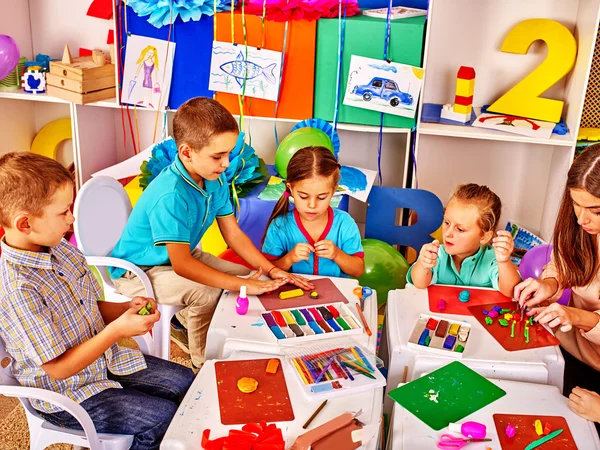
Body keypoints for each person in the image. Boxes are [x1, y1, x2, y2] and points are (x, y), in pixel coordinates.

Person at [0, 152, 194, 449]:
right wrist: (117, 331)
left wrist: (123, 310)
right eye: (63, 212)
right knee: (161, 417)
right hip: (65, 392)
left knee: (185, 382)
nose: (72, 218)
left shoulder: (60, 249)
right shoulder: (18, 288)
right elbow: (59, 369)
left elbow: (86, 307)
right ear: (25, 223)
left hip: (103, 363)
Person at [110, 97, 311, 369]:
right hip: (139, 271)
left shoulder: (214, 178)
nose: (226, 163)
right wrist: (241, 286)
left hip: (179, 258)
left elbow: (234, 234)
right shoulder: (170, 194)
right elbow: (182, 265)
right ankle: (201, 365)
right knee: (208, 293)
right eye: (218, 156)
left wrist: (271, 270)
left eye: (228, 153)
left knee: (246, 277)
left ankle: (194, 327)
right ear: (187, 152)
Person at [514, 145, 600, 430]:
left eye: (595, 210)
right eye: (576, 204)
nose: (581, 219)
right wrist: (549, 283)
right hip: (577, 354)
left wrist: (576, 317)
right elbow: (563, 262)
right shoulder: (585, 229)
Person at [262, 146, 364, 278]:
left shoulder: (345, 223)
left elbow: (358, 270)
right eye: (303, 197)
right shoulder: (279, 226)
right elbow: (267, 269)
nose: (312, 205)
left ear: (334, 191)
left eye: (321, 197)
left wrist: (337, 254)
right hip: (293, 295)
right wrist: (289, 259)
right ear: (290, 188)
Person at [408, 183, 520, 297]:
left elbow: (511, 291)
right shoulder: (438, 255)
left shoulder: (492, 259)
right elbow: (419, 283)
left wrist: (504, 262)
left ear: (484, 237)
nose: (448, 233)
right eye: (447, 222)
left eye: (460, 229)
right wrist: (423, 264)